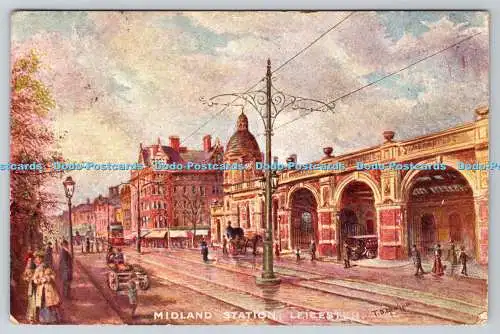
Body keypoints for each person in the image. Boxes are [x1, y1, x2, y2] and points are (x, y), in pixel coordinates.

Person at [33, 252, 61, 324]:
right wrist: (39, 281)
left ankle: (52, 319)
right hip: (41, 290)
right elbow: (34, 279)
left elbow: (53, 276)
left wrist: (47, 278)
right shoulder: (37, 269)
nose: (38, 260)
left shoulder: (48, 268)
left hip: (49, 289)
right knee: (42, 304)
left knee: (50, 304)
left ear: (42, 259)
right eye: (37, 259)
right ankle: (43, 320)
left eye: (39, 259)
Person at [23, 253, 37, 323]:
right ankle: (30, 317)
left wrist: (32, 278)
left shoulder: (35, 267)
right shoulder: (27, 268)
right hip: (30, 286)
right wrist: (27, 279)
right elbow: (24, 277)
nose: (30, 262)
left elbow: (36, 276)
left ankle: (33, 317)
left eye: (31, 260)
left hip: (35, 286)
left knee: (34, 301)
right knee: (31, 301)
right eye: (29, 260)